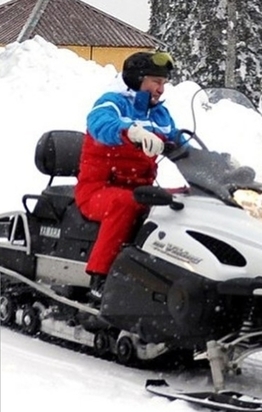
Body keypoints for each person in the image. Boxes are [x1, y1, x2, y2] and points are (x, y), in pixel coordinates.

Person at [75, 51, 183, 300]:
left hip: (141, 189)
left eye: (164, 83)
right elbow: (99, 124)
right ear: (137, 79)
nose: (161, 89)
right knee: (124, 204)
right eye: (156, 82)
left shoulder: (159, 114)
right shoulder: (112, 102)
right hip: (98, 190)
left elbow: (180, 140)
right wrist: (131, 132)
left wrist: (215, 161)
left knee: (181, 203)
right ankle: (100, 278)